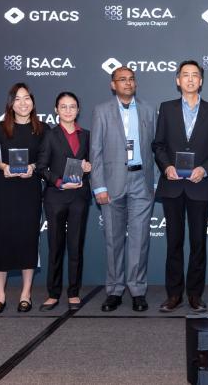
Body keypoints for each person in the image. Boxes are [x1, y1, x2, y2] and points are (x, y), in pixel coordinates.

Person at [153, 60, 208, 313]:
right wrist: (166, 166)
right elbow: (158, 145)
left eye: (195, 75)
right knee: (174, 243)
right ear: (178, 80)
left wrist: (205, 168)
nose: (190, 79)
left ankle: (194, 294)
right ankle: (174, 295)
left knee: (198, 243)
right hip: (172, 185)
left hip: (199, 185)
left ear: (201, 81)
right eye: (185, 75)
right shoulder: (167, 108)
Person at [91, 67, 156, 312]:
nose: (127, 83)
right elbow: (95, 151)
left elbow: (156, 148)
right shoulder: (101, 111)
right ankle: (115, 290)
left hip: (141, 181)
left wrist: (154, 182)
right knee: (113, 239)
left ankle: (137, 290)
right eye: (122, 79)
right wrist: (99, 185)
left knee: (140, 240)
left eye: (131, 79)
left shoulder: (148, 109)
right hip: (111, 182)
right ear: (113, 85)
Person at [0, 83, 48, 313]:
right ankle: (0, 295)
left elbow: (46, 159)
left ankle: (26, 294)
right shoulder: (0, 128)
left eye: (27, 98)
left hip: (30, 188)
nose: (23, 103)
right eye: (18, 99)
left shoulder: (43, 129)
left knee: (28, 238)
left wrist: (33, 167)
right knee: (1, 238)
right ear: (10, 103)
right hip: (4, 188)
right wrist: (3, 166)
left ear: (33, 101)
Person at [36, 92, 92, 311]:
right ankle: (53, 293)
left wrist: (89, 167)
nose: (68, 110)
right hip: (56, 197)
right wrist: (59, 182)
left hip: (79, 196)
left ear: (78, 110)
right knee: (55, 246)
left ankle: (74, 292)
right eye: (63, 106)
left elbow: (92, 162)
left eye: (72, 106)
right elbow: (41, 168)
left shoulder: (86, 135)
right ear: (56, 110)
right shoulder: (50, 136)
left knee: (76, 246)